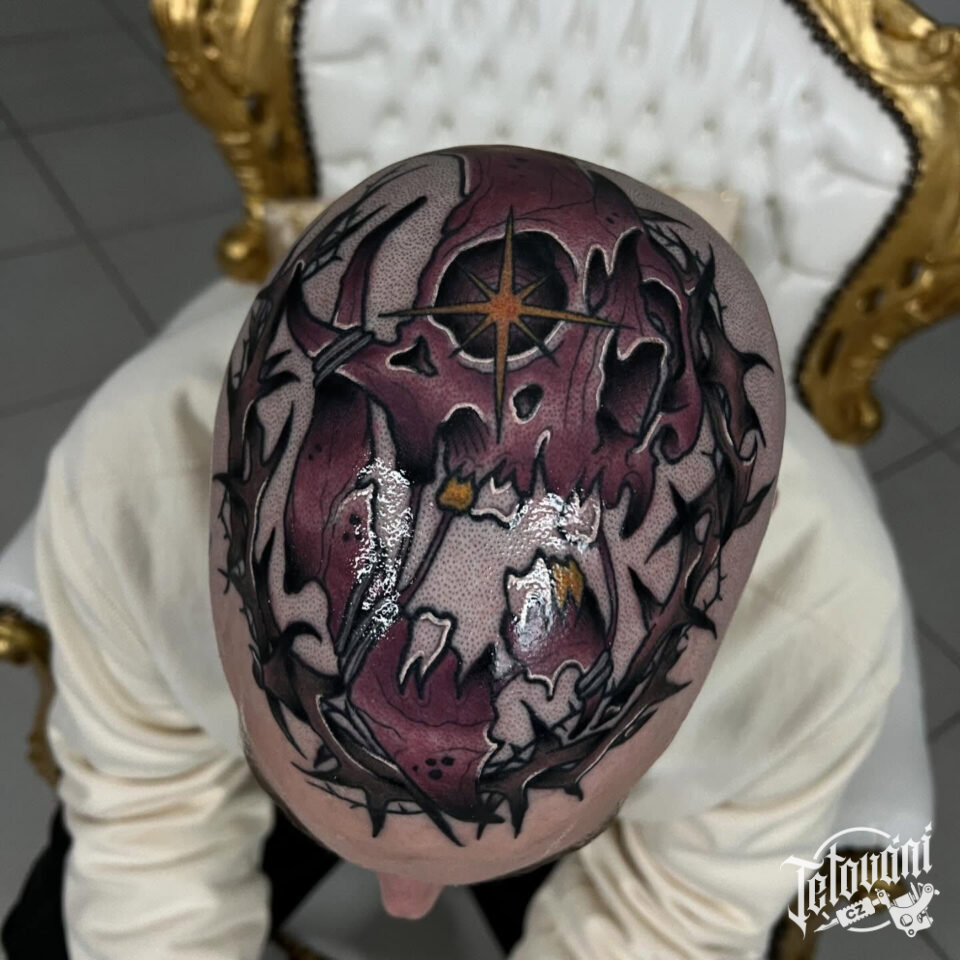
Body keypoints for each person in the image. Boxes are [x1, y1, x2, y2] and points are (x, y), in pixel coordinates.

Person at [2, 146, 905, 960]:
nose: (404, 910)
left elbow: (678, 916)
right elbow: (144, 821)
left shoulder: (826, 639)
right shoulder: (123, 486)